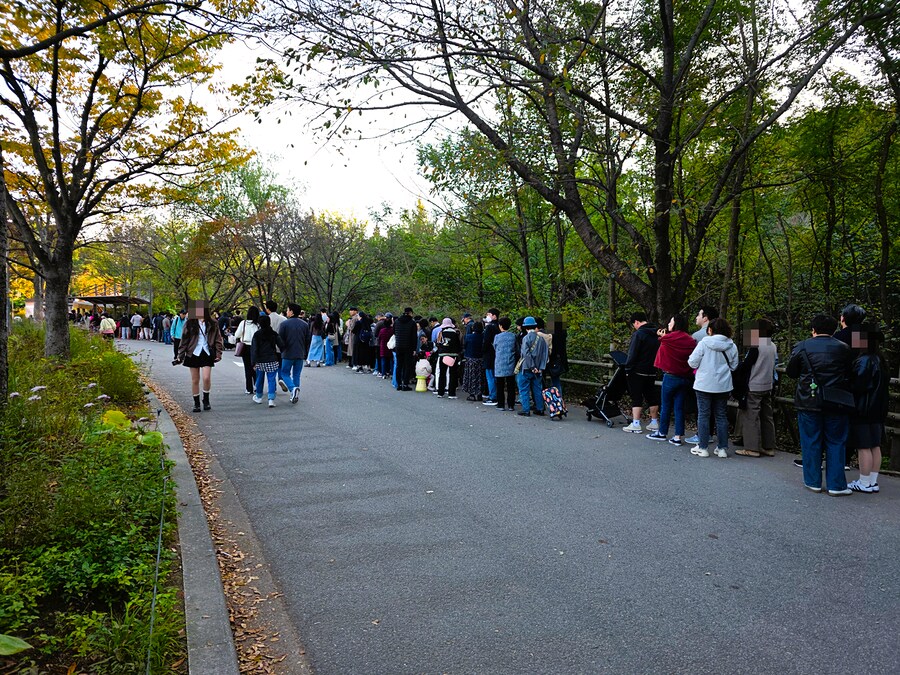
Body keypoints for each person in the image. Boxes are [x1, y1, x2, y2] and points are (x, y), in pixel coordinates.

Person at [785, 314, 853, 495]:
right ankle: (837, 485)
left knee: (810, 440)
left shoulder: (802, 346)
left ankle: (813, 481)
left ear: (813, 330)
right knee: (836, 441)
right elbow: (851, 373)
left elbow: (791, 372)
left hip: (809, 399)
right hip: (837, 400)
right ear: (834, 330)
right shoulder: (844, 348)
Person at [687, 317, 738, 458]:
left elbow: (692, 362)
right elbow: (734, 366)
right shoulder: (732, 346)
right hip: (723, 385)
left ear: (710, 330)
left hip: (704, 384)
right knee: (721, 415)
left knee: (703, 415)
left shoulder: (704, 343)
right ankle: (722, 448)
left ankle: (703, 447)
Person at [847, 325, 889, 493]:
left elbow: (858, 385)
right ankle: (872, 480)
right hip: (878, 408)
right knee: (875, 444)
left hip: (864, 407)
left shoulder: (864, 361)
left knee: (863, 445)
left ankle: (864, 481)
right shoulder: (881, 360)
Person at [646, 313, 696, 445]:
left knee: (666, 405)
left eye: (671, 322)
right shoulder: (690, 340)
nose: (668, 324)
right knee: (679, 407)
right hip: (685, 377)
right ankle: (678, 436)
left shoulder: (668, 338)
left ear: (675, 324)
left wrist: (663, 335)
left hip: (670, 376)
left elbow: (663, 340)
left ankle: (662, 432)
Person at [733, 319, 778, 458]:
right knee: (766, 416)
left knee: (751, 417)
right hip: (768, 384)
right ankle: (768, 446)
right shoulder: (772, 345)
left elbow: (746, 365)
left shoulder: (756, 346)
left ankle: (752, 448)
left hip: (754, 385)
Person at [175, 301, 224, 412]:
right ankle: (196, 403)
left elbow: (218, 339)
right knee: (195, 380)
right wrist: (180, 356)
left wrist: (218, 353)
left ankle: (206, 400)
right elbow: (184, 340)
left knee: (206, 378)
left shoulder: (212, 323)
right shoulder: (190, 323)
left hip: (206, 352)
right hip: (193, 352)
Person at [622, 312, 660, 433]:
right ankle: (654, 422)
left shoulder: (639, 334)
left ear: (636, 322)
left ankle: (636, 423)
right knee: (651, 396)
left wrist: (628, 368)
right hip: (652, 369)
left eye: (634, 324)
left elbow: (633, 353)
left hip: (638, 370)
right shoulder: (656, 333)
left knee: (636, 396)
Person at [515, 316, 549, 416]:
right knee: (537, 389)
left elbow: (525, 354)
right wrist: (540, 368)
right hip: (538, 369)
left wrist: (532, 366)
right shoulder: (542, 339)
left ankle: (526, 409)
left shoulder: (526, 338)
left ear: (526, 328)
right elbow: (545, 355)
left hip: (526, 368)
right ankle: (540, 408)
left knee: (524, 389)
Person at [251, 314, 285, 408]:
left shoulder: (257, 334)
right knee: (271, 379)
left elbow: (254, 349)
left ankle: (258, 396)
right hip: (272, 359)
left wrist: (253, 362)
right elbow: (281, 345)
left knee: (259, 379)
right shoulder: (273, 333)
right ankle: (271, 399)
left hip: (260, 360)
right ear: (269, 322)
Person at [278, 303, 309, 404]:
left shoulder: (284, 324)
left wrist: (282, 350)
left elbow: (280, 339)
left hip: (288, 353)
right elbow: (307, 340)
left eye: (287, 310)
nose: (287, 312)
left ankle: (292, 389)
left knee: (284, 373)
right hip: (300, 353)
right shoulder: (305, 324)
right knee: (296, 374)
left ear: (291, 312)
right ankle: (295, 393)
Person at [492, 317, 518, 411]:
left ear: (500, 326)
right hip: (510, 362)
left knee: (500, 385)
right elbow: (516, 348)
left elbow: (495, 347)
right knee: (511, 385)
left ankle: (501, 404)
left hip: (499, 363)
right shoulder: (513, 336)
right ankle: (511, 405)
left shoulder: (497, 337)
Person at [234, 306, 260, 395]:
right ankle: (257, 386)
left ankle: (249, 388)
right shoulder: (258, 324)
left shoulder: (243, 323)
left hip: (245, 347)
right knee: (256, 367)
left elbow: (237, 334)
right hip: (256, 347)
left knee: (247, 368)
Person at [435, 318, 462, 398]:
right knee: (453, 374)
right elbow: (458, 345)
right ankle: (451, 393)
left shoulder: (441, 333)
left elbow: (438, 344)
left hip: (443, 355)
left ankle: (440, 392)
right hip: (453, 356)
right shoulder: (455, 333)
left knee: (442, 374)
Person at [393, 307, 418, 391]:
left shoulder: (397, 321)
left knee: (399, 365)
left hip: (398, 346)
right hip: (408, 346)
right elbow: (414, 337)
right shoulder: (412, 323)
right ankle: (405, 384)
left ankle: (398, 384)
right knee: (407, 366)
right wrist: (414, 349)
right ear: (410, 313)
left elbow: (394, 332)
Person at [482, 308, 501, 405]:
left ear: (494, 316)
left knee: (490, 376)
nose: (487, 316)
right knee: (496, 376)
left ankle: (493, 396)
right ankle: (497, 395)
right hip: (498, 354)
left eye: (489, 314)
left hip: (489, 354)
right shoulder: (500, 326)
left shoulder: (489, 327)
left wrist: (483, 351)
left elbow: (486, 341)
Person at [546, 314, 568, 394]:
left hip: (554, 360)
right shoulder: (563, 335)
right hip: (560, 360)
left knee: (555, 381)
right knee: (555, 380)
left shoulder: (553, 336)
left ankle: (558, 399)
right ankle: (558, 398)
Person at [462, 320, 484, 401]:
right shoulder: (483, 337)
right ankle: (479, 394)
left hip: (470, 359)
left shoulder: (468, 337)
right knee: (480, 377)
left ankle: (471, 394)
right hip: (480, 359)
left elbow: (464, 347)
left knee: (471, 376)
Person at [377, 314, 394, 380]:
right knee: (391, 361)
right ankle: (392, 373)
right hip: (390, 347)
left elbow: (379, 338)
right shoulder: (392, 330)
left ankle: (383, 374)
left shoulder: (382, 330)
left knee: (383, 361)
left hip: (383, 347)